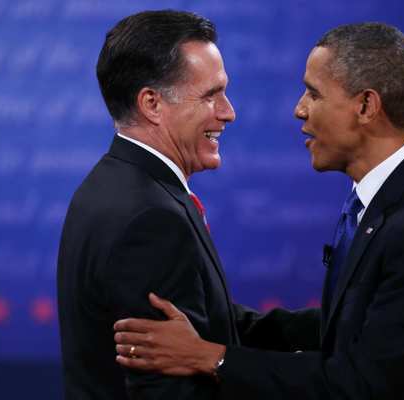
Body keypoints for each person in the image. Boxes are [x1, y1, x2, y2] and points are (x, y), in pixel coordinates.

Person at [113, 22, 404, 399]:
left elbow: (361, 384)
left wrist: (211, 358)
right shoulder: (387, 199)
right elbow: (350, 324)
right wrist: (211, 317)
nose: (299, 109)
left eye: (313, 94)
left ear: (366, 105)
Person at [57, 9, 306, 399]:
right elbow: (169, 388)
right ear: (152, 103)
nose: (228, 112)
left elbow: (213, 324)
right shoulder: (150, 219)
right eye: (210, 95)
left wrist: (337, 324)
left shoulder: (109, 184)